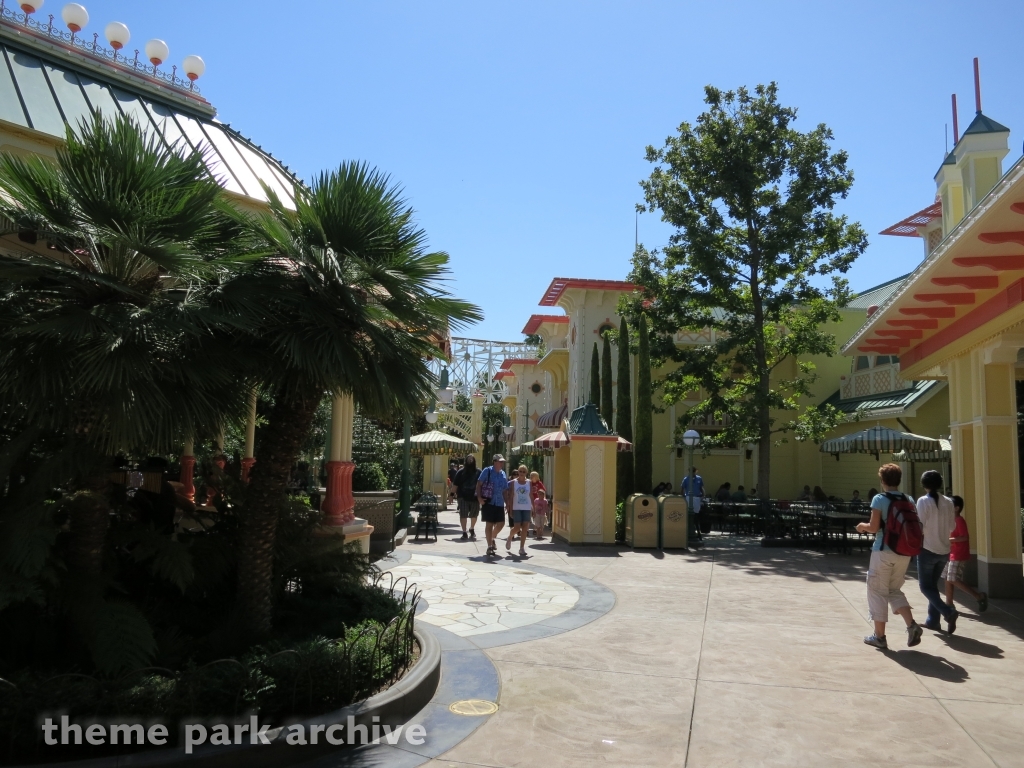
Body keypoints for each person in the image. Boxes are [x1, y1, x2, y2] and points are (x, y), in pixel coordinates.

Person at [856, 463, 924, 649]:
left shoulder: (879, 499)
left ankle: (879, 637)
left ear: (882, 480)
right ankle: (912, 625)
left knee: (877, 591)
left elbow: (874, 527)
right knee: (893, 590)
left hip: (883, 551)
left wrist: (862, 526)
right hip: (904, 552)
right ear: (899, 480)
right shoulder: (908, 498)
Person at [916, 470, 959, 633]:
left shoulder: (922, 501)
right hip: (944, 551)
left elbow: (919, 526)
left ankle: (948, 611)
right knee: (932, 586)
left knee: (925, 587)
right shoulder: (948, 502)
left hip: (927, 549)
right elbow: (952, 527)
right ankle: (933, 621)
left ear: (924, 484)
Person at [944, 495, 988, 613]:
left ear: (956, 508)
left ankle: (979, 596)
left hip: (958, 554)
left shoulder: (959, 520)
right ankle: (949, 604)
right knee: (947, 578)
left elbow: (964, 537)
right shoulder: (951, 520)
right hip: (951, 553)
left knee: (952, 578)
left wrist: (950, 540)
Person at [477, 454, 509, 557]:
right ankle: (489, 546)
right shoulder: (487, 471)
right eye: (500, 461)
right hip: (489, 501)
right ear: (495, 462)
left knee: (501, 523)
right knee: (489, 524)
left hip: (499, 502)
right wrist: (479, 498)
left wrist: (507, 503)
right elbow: (479, 484)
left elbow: (505, 490)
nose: (502, 463)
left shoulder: (503, 474)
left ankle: (492, 537)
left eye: (503, 462)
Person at [505, 465, 533, 556]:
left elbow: (531, 495)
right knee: (517, 527)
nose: (521, 473)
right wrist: (510, 507)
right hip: (516, 507)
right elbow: (511, 495)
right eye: (520, 471)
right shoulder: (513, 482)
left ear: (526, 473)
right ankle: (510, 536)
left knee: (525, 528)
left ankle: (521, 548)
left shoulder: (529, 482)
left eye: (523, 472)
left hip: (526, 508)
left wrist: (534, 507)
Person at [453, 455, 481, 540]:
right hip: (462, 497)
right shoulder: (460, 472)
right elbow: (455, 484)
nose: (470, 460)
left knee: (474, 515)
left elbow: (483, 483)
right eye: (468, 459)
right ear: (465, 461)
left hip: (475, 497)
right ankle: (464, 532)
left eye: (472, 459)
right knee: (463, 515)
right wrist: (451, 495)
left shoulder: (479, 472)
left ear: (474, 461)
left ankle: (471, 528)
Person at [681, 467, 705, 541]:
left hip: (697, 498)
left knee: (696, 514)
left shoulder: (699, 478)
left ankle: (695, 528)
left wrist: (703, 494)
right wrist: (684, 497)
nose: (693, 472)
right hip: (688, 497)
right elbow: (682, 489)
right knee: (689, 514)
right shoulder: (686, 479)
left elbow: (701, 487)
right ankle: (689, 529)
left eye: (694, 471)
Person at [529, 471, 548, 539]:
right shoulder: (529, 483)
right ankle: (535, 527)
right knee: (533, 515)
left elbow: (543, 491)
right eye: (530, 476)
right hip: (531, 501)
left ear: (536, 477)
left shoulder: (539, 483)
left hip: (538, 501)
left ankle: (535, 529)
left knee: (537, 515)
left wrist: (544, 499)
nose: (531, 478)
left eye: (533, 476)